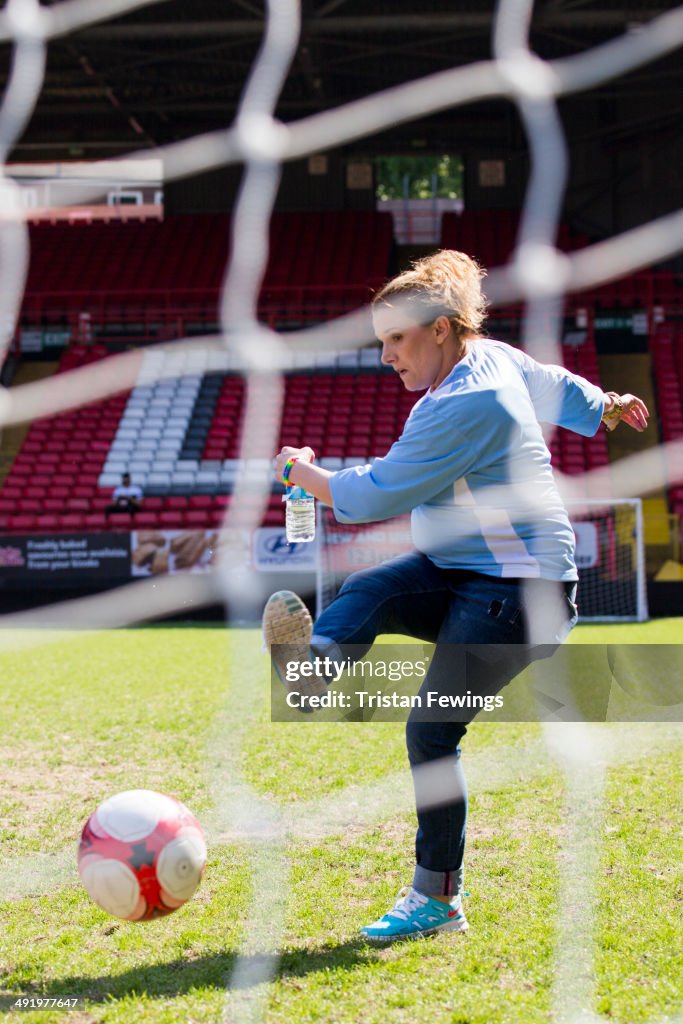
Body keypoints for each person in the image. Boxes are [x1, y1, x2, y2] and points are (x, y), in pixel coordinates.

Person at [262, 250, 649, 942]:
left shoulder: (467, 403)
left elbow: (372, 494)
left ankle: (436, 900)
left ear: (440, 328)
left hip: (519, 595)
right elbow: (551, 383)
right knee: (370, 587)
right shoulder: (490, 361)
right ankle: (310, 670)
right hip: (464, 572)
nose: (385, 357)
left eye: (395, 340)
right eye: (380, 342)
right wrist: (606, 406)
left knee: (430, 730)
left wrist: (305, 472)